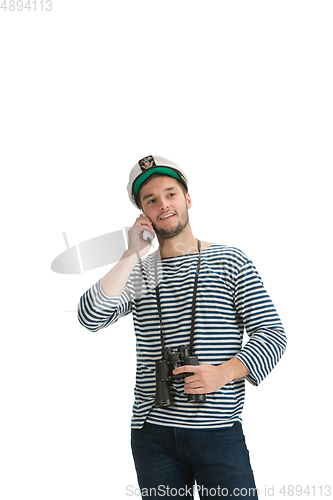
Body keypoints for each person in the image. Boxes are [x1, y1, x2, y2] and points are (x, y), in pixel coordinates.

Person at [78, 155, 287, 499]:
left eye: (171, 194)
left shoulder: (229, 260)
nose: (164, 204)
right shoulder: (141, 273)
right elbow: (90, 316)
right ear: (143, 212)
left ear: (187, 199)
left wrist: (223, 373)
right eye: (152, 200)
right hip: (152, 434)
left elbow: (272, 334)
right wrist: (132, 253)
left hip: (218, 431)